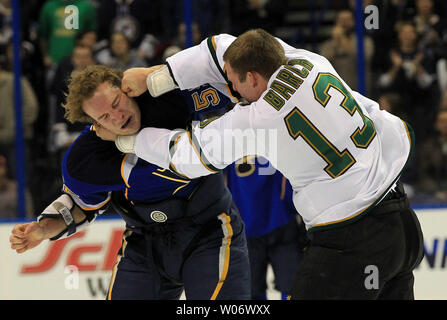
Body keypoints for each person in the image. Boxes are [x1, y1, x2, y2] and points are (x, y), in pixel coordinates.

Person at [113, 29, 425, 299]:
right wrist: (159, 78)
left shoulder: (257, 118)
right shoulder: (308, 60)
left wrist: (128, 140)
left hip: (351, 240)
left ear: (252, 77)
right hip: (402, 225)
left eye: (235, 82)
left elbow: (189, 157)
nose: (233, 91)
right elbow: (225, 46)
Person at [9, 65, 250, 300]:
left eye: (116, 103)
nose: (117, 116)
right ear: (95, 124)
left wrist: (159, 71)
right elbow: (81, 204)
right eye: (104, 116)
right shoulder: (84, 159)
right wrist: (43, 228)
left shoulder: (169, 97)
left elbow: (227, 72)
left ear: (126, 89)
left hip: (210, 230)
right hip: (144, 242)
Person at [225, 156, 306, 300]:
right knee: (252, 291)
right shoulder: (226, 139)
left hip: (280, 222)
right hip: (250, 227)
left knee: (294, 287)